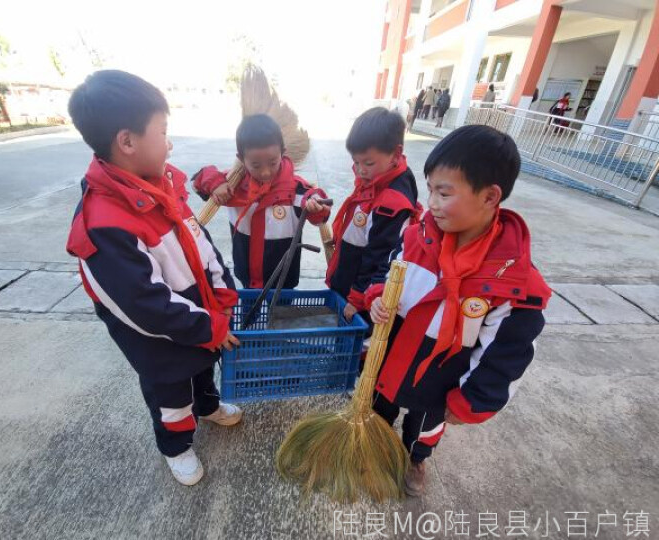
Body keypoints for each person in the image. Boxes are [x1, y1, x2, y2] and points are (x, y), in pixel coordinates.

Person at [65, 70, 242, 487]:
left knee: (202, 369)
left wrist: (221, 292)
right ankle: (176, 446)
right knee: (171, 392)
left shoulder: (163, 183)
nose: (170, 142)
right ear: (126, 142)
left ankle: (209, 405)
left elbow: (198, 240)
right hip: (159, 337)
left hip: (196, 317)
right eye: (163, 131)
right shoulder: (102, 224)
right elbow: (145, 307)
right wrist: (210, 326)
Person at [365, 124, 551, 497]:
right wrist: (377, 299)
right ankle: (371, 445)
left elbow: (505, 354)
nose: (431, 202)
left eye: (444, 192)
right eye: (430, 188)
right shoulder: (416, 236)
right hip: (391, 353)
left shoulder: (512, 285)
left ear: (489, 196)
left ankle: (414, 458)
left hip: (441, 374)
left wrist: (471, 400)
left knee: (425, 426)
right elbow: (390, 272)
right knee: (376, 406)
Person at [192, 114, 330, 289]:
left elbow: (320, 210)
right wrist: (214, 184)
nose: (265, 172)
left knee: (282, 315)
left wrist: (316, 207)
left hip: (283, 281)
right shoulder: (232, 187)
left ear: (282, 152)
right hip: (247, 275)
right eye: (256, 165)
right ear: (241, 159)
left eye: (273, 163)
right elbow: (197, 181)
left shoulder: (296, 190)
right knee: (250, 313)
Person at [326, 107, 420, 323]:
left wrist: (358, 298)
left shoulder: (392, 203)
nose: (360, 170)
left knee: (357, 336)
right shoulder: (378, 176)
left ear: (396, 154)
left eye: (368, 163)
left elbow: (379, 257)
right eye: (356, 162)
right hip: (349, 275)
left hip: (363, 295)